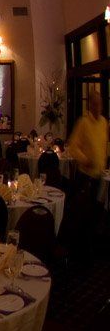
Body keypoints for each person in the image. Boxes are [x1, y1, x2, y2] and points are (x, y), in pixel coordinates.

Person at [67, 88, 107, 253]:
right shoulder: (83, 123)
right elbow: (72, 147)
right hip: (85, 176)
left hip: (99, 176)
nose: (98, 107)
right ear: (90, 105)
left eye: (100, 104)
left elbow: (104, 146)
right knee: (83, 213)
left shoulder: (104, 122)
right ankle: (82, 247)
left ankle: (91, 244)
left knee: (95, 212)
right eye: (95, 104)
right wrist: (85, 160)